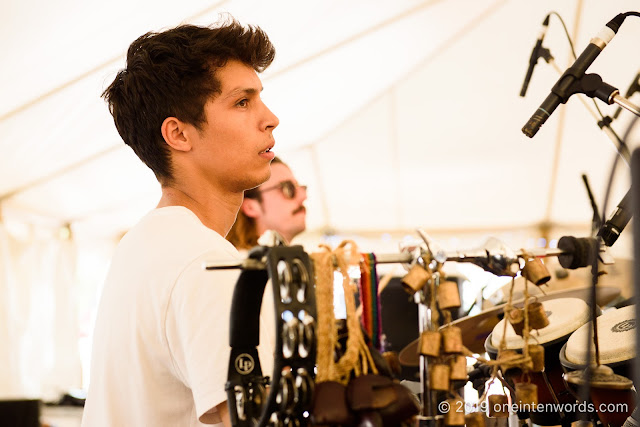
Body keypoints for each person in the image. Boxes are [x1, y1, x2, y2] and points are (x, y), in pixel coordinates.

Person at [81, 18, 279, 427]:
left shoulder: (142, 244)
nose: (270, 118)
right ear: (178, 134)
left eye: (260, 99)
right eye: (243, 102)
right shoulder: (207, 262)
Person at [226, 156, 307, 250]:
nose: (303, 196)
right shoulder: (237, 262)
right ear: (250, 207)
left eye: (299, 187)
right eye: (288, 188)